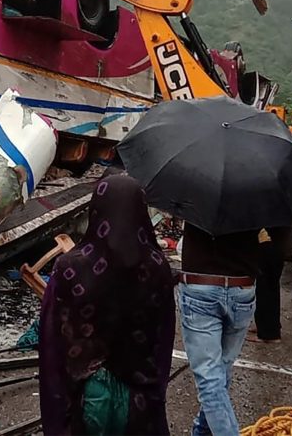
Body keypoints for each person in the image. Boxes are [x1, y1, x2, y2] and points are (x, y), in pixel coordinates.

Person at [39, 175, 176, 435]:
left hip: (86, 397)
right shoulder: (158, 268)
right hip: (139, 398)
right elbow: (163, 339)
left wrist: (58, 412)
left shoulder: (70, 268)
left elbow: (52, 342)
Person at [179, 223, 260, 436]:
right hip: (242, 287)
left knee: (210, 377)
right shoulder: (260, 194)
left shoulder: (196, 191)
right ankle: (202, 431)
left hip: (201, 285)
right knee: (220, 370)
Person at [248, 227, 292, 344]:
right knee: (267, 285)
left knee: (266, 285)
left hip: (269, 243)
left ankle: (268, 333)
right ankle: (268, 325)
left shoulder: (272, 214)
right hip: (274, 242)